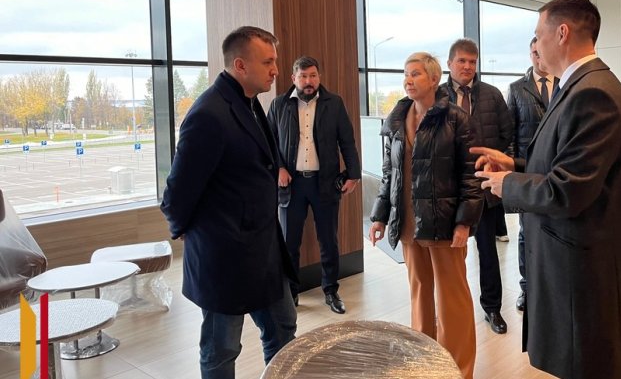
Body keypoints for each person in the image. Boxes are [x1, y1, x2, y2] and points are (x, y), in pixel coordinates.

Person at [472, 0, 621, 379]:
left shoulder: (592, 92)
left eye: (538, 34)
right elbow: (569, 163)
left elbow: (569, 190)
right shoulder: (581, 86)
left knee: (591, 365)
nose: (536, 44)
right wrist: (516, 165)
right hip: (577, 259)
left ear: (562, 33)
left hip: (583, 267)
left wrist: (508, 184)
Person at [160, 26, 296, 379]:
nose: (276, 70)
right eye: (268, 62)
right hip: (226, 257)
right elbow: (177, 192)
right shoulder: (209, 114)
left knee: (283, 329)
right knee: (221, 349)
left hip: (264, 250)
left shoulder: (250, 103)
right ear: (240, 65)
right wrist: (186, 229)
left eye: (275, 61)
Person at [368, 52, 483, 379]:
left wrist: (464, 221)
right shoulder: (396, 118)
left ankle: (458, 370)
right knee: (419, 294)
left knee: (451, 301)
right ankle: (425, 363)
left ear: (434, 79)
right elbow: (389, 174)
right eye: (406, 74)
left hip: (444, 223)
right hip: (408, 222)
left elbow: (471, 175)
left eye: (416, 73)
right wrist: (379, 216)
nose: (408, 79)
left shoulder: (456, 119)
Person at [267, 56, 361, 314]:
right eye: (303, 76)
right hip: (291, 185)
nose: (308, 81)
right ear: (293, 78)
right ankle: (291, 292)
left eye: (313, 76)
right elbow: (268, 142)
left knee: (329, 241)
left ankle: (331, 290)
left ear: (319, 77)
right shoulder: (278, 105)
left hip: (325, 183)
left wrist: (353, 174)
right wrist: (279, 168)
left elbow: (347, 141)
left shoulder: (334, 103)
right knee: (289, 243)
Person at [440, 38, 513, 334]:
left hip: (484, 187)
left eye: (472, 61)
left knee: (488, 251)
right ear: (449, 63)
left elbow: (508, 134)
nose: (468, 66)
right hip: (448, 188)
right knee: (448, 253)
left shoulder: (492, 95)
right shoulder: (437, 96)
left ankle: (492, 308)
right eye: (462, 61)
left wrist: (496, 160)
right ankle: (448, 311)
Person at [505, 36, 557, 312]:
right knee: (527, 232)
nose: (539, 57)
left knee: (556, 231)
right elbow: (510, 134)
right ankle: (527, 288)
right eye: (534, 53)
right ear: (530, 55)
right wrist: (514, 169)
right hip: (527, 169)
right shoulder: (517, 89)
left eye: (541, 52)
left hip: (558, 169)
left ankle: (553, 286)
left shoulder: (564, 83)